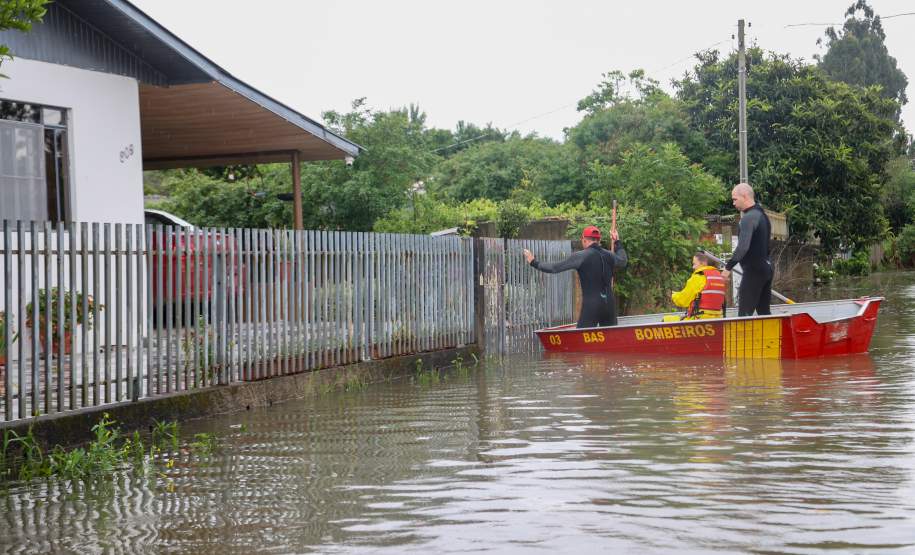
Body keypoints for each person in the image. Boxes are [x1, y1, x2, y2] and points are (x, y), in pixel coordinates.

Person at [523, 225, 627, 328]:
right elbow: (623, 261)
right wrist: (617, 241)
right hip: (609, 305)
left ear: (585, 240)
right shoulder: (609, 255)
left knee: (581, 341)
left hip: (592, 306)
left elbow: (554, 268)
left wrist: (533, 262)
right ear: (598, 240)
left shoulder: (581, 256)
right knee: (609, 341)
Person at [721, 182, 773, 316]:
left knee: (744, 315)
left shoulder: (748, 218)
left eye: (734, 199)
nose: (733, 203)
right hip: (766, 268)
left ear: (744, 196)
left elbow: (743, 247)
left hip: (754, 270)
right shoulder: (762, 216)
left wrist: (728, 268)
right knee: (764, 312)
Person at [664, 252, 726, 321]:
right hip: (718, 319)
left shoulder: (699, 276)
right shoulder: (719, 277)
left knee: (666, 320)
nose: (693, 267)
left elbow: (683, 300)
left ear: (703, 263)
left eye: (694, 264)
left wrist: (673, 295)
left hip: (699, 320)